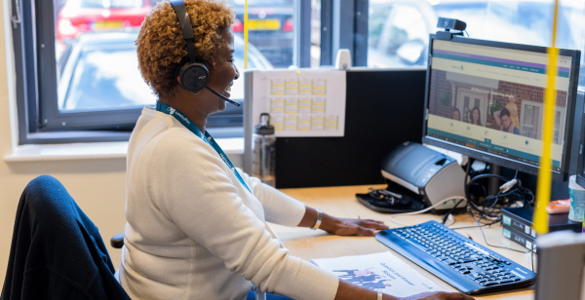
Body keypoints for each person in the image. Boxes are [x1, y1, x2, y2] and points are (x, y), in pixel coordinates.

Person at [118, 1, 475, 300]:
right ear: (194, 75)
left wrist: (328, 221)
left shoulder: (163, 125)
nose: (236, 72)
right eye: (227, 58)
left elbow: (246, 188)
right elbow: (269, 267)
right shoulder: (176, 153)